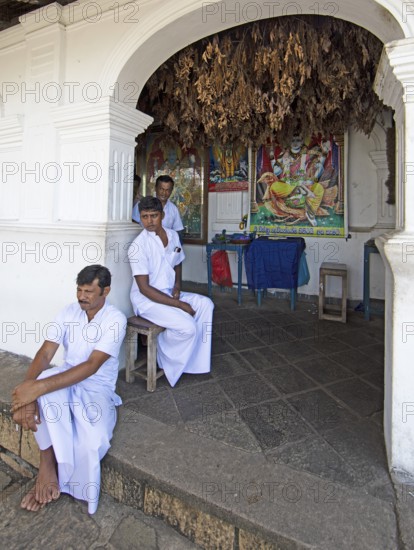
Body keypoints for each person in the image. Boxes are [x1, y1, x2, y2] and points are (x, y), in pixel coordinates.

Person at [11, 265, 126, 514]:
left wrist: (37, 388)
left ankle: (67, 485)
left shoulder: (115, 319)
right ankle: (47, 468)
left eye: (89, 291)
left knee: (92, 441)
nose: (82, 296)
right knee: (43, 403)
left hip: (96, 386)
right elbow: (45, 353)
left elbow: (92, 365)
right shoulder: (68, 311)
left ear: (105, 291)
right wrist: (27, 397)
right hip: (63, 375)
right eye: (79, 290)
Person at [128, 196, 214, 387]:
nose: (149, 221)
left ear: (162, 215)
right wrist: (179, 304)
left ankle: (193, 363)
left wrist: (177, 287)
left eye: (154, 216)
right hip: (147, 300)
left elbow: (178, 261)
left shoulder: (173, 235)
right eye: (145, 217)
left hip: (167, 292)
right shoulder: (138, 246)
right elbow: (144, 288)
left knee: (206, 304)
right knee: (188, 327)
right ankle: (162, 352)